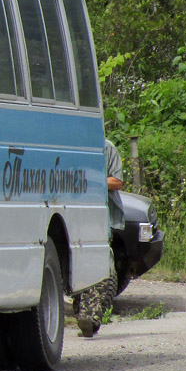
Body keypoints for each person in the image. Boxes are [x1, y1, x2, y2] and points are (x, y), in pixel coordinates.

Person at [76, 139, 125, 337]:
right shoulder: (74, 145)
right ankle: (84, 312)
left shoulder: (106, 147)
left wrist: (89, 181)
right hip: (76, 216)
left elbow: (117, 181)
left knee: (101, 268)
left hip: (100, 217)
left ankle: (91, 317)